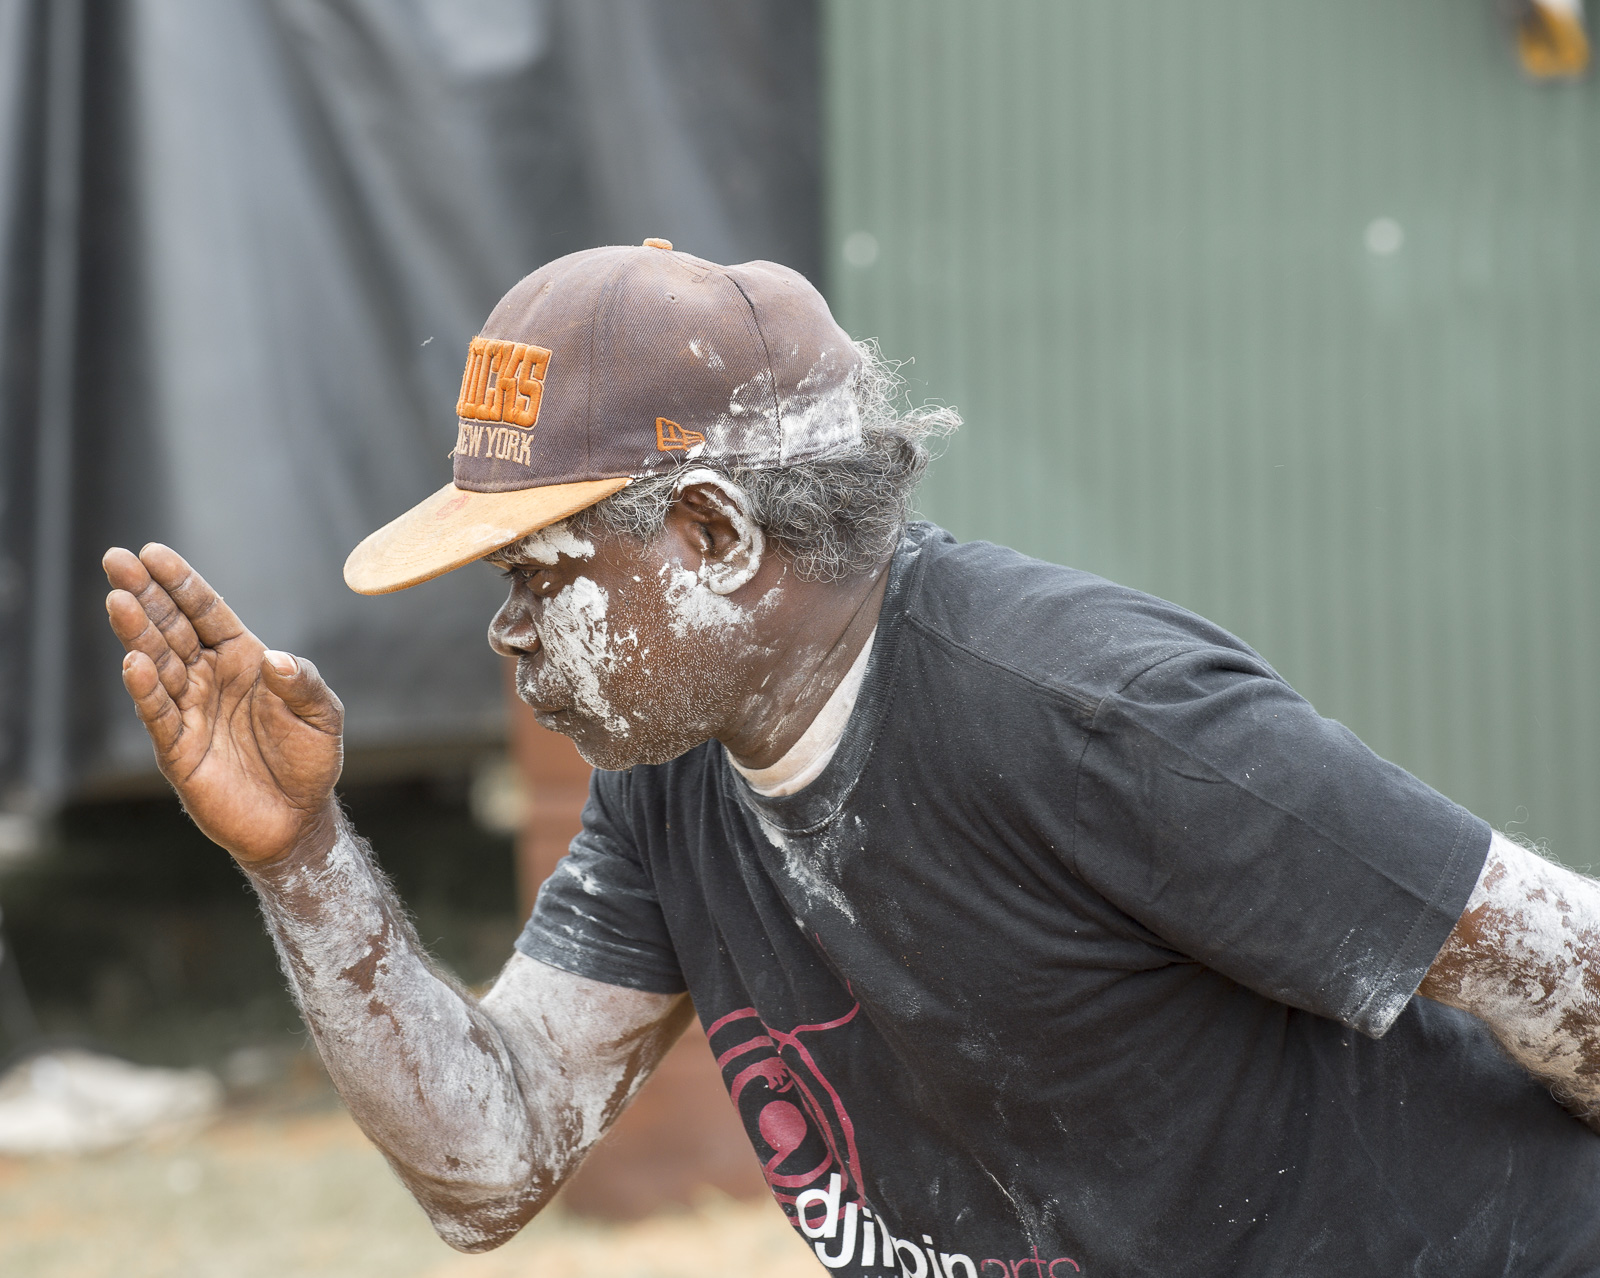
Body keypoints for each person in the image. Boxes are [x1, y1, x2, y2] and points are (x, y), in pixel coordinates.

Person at [103, 240, 1600, 1275]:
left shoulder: (1097, 717)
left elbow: (1573, 968)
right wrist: (298, 857)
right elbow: (492, 1159)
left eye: (538, 575)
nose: (506, 637)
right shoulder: (672, 780)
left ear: (715, 537)